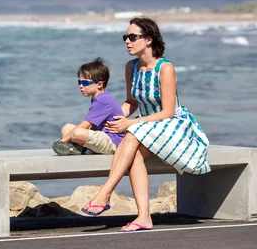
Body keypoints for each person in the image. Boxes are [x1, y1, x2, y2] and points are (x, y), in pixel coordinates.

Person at [81, 17, 210, 232]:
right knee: (135, 155)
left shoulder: (165, 68)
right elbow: (131, 103)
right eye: (126, 37)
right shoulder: (131, 67)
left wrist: (130, 123)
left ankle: (105, 193)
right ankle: (144, 217)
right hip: (145, 127)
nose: (127, 42)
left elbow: (168, 111)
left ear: (148, 40)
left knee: (131, 134)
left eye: (133, 37)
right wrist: (111, 120)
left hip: (172, 125)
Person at [52, 57, 125, 156]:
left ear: (99, 84)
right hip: (102, 136)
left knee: (77, 132)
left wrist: (62, 142)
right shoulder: (98, 98)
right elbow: (94, 126)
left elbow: (84, 125)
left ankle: (75, 146)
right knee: (67, 127)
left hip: (113, 142)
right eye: (79, 82)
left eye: (85, 83)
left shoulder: (102, 100)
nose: (81, 86)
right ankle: (78, 148)